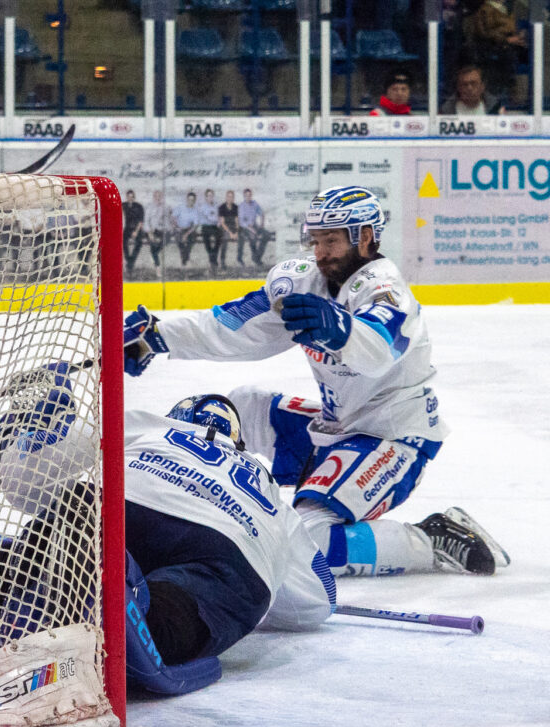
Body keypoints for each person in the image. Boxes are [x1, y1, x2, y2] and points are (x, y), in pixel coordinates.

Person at [122, 186, 510, 580]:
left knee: (309, 543)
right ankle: (197, 505)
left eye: (333, 240)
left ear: (365, 237)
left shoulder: (386, 289)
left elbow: (378, 348)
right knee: (236, 408)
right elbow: (237, 325)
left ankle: (430, 539)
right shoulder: (302, 281)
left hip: (392, 438)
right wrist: (158, 336)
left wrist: (340, 328)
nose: (321, 252)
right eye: (317, 240)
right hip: (335, 426)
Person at [0, 387, 334, 693]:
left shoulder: (152, 424)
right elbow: (318, 601)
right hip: (236, 551)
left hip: (130, 508)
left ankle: (20, 577)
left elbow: (25, 483)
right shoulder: (266, 486)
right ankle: (139, 604)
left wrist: (24, 435)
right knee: (172, 619)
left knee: (76, 501)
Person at [464, 0, 527, 99]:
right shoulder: (485, 10)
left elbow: (511, 27)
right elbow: (484, 33)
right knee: (497, 82)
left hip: (509, 51)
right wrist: (506, 39)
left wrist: (517, 36)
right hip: (493, 52)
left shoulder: (507, 9)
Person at [439, 64, 506, 114]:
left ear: (482, 86)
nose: (469, 88)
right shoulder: (447, 111)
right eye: (464, 84)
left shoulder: (495, 109)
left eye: (473, 83)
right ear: (458, 87)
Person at [237, 188, 268, 268]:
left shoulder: (254, 204)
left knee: (267, 234)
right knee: (253, 237)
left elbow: (262, 213)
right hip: (245, 228)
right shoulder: (242, 206)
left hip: (254, 225)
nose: (248, 197)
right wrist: (252, 230)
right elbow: (242, 222)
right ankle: (256, 259)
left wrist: (262, 224)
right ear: (244, 196)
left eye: (250, 195)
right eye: (246, 195)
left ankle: (256, 257)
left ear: (251, 196)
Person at [171, 192, 201, 268]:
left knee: (192, 238)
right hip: (178, 228)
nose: (190, 201)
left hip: (188, 229)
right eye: (189, 199)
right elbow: (173, 217)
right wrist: (176, 226)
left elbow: (195, 225)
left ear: (194, 201)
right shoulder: (180, 207)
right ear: (187, 199)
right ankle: (185, 260)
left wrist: (186, 234)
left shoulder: (195, 211)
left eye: (192, 200)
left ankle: (184, 261)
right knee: (180, 241)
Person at [198, 189, 222, 274]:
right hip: (206, 226)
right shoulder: (203, 206)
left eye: (211, 195)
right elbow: (210, 218)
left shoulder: (216, 206)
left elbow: (219, 216)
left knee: (220, 236)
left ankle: (212, 262)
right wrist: (217, 220)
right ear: (206, 197)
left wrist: (219, 221)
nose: (210, 197)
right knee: (207, 243)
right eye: (208, 196)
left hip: (214, 226)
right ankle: (214, 262)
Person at [122, 189, 146, 274]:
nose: (130, 198)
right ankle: (129, 261)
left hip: (137, 228)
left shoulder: (139, 206)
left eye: (132, 197)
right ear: (127, 197)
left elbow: (141, 221)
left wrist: (136, 231)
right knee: (123, 242)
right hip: (127, 228)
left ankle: (130, 263)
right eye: (129, 197)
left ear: (134, 197)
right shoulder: (123, 205)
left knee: (139, 243)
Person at [146, 190, 168, 270]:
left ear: (161, 197)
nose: (158, 198)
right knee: (153, 243)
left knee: (166, 239)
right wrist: (149, 233)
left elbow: (166, 221)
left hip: (160, 230)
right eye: (156, 196)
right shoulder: (149, 207)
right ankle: (158, 266)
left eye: (159, 196)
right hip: (151, 230)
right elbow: (146, 221)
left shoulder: (164, 207)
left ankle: (153, 255)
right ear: (154, 197)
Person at [217, 190, 239, 271]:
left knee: (241, 236)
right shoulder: (221, 207)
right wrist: (230, 233)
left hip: (232, 226)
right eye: (228, 196)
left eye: (232, 197)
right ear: (226, 197)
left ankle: (239, 260)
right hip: (224, 227)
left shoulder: (236, 207)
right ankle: (222, 261)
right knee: (224, 239)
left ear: (233, 198)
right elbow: (222, 223)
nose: (230, 198)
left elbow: (237, 221)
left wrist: (236, 232)